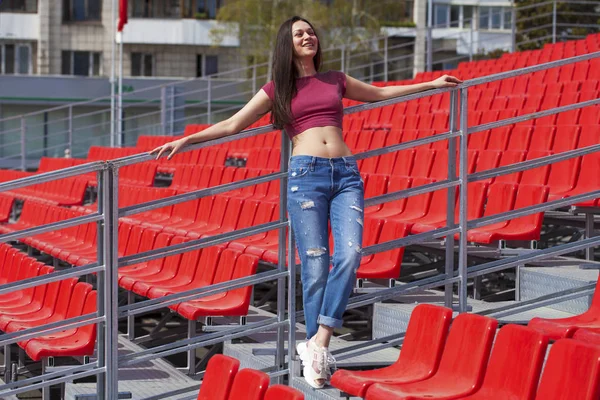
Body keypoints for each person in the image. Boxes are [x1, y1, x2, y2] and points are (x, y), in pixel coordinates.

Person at [151, 16, 461, 389]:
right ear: (288, 44)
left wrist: (430, 83)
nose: (308, 36)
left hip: (346, 174)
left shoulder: (336, 79)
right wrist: (187, 140)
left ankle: (319, 341)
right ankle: (317, 355)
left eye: (311, 31)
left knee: (350, 253)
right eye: (299, 34)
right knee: (315, 265)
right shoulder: (276, 89)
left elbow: (379, 93)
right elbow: (234, 125)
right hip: (306, 177)